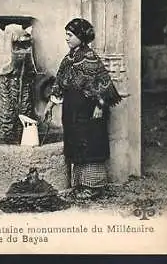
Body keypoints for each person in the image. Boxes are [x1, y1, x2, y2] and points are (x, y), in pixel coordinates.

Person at [44, 18, 123, 201]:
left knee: (90, 144)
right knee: (76, 143)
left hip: (89, 111)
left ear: (81, 36)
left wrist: (100, 106)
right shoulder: (69, 58)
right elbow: (60, 82)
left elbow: (103, 84)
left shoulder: (91, 58)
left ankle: (92, 187)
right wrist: (51, 103)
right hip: (72, 110)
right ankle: (80, 184)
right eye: (66, 34)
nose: (67, 38)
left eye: (70, 35)